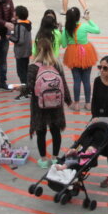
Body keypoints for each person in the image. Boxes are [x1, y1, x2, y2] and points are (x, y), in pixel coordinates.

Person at [24, 37, 72, 165]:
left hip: (39, 105)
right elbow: (64, 84)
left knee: (41, 132)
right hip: (56, 104)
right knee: (56, 131)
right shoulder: (56, 64)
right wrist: (68, 100)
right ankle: (55, 157)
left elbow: (29, 87)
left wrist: (19, 89)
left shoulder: (33, 67)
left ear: (37, 50)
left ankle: (44, 159)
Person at [62, 7, 100, 110]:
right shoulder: (84, 26)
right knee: (86, 80)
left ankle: (77, 104)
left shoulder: (66, 29)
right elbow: (97, 30)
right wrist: (89, 19)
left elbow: (64, 44)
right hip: (86, 53)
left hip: (72, 55)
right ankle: (88, 103)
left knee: (76, 80)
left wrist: (62, 32)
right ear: (79, 17)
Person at [11, 6, 33, 97]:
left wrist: (10, 37)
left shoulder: (20, 26)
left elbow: (20, 40)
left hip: (20, 52)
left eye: (14, 13)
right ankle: (28, 88)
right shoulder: (27, 23)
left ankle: (25, 91)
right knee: (25, 70)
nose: (13, 13)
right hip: (27, 52)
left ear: (17, 15)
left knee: (21, 72)